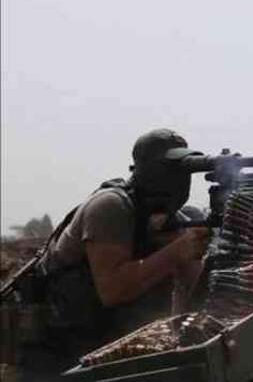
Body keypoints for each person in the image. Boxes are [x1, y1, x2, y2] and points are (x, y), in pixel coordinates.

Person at [25, 129, 211, 376]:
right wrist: (175, 252)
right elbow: (112, 290)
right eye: (172, 169)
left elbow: (196, 296)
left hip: (121, 349)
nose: (180, 179)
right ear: (149, 170)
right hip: (63, 352)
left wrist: (192, 256)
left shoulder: (176, 219)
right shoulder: (110, 207)